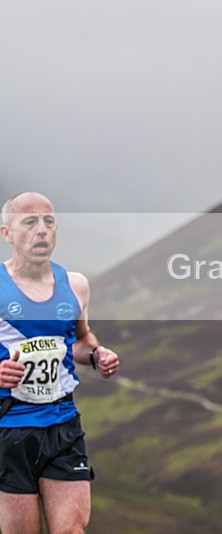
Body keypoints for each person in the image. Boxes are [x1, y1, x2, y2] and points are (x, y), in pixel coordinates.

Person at [0, 192, 120, 534]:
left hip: (62, 425)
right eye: (30, 222)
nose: (42, 230)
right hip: (9, 429)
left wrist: (97, 355)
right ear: (7, 234)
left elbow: (80, 341)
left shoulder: (75, 285)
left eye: (49, 222)